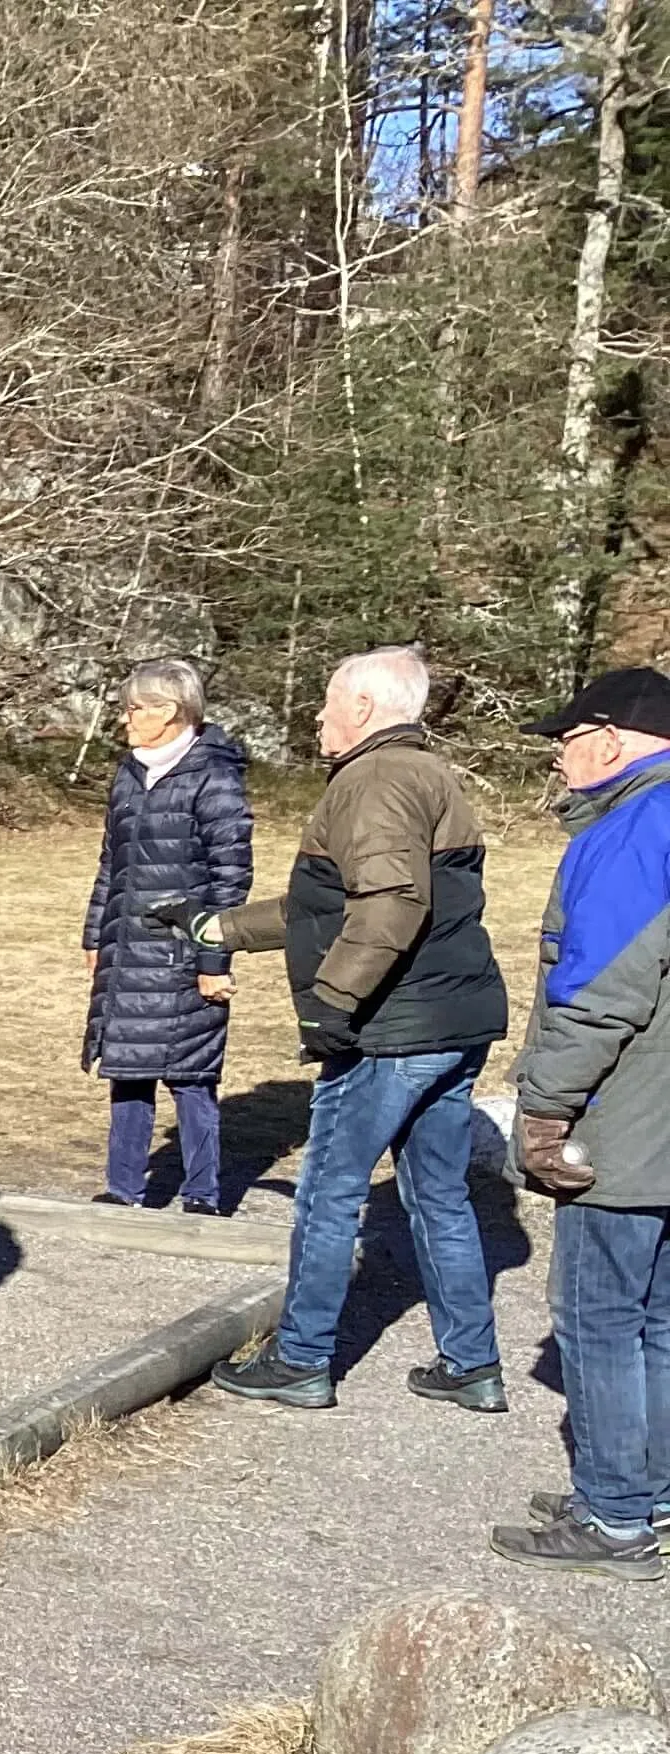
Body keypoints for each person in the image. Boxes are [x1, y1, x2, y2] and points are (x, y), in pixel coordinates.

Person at [147, 647, 508, 1410]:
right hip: (452, 1021)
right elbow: (330, 908)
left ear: (367, 708)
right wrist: (218, 926)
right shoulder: (426, 773)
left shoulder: (375, 782)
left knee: (329, 1192)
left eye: (327, 702)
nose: (317, 716)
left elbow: (391, 905)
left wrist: (332, 1005)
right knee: (438, 1195)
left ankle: (303, 1357)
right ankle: (471, 1362)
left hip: (392, 1029)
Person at [495, 667, 670, 1580]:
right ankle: (648, 1490)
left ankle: (613, 1520)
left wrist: (547, 1109)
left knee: (599, 1318)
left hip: (629, 1121)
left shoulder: (634, 832)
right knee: (665, 1320)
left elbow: (598, 995)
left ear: (612, 738)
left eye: (567, 739)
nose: (559, 758)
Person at [82, 657, 251, 1214]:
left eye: (134, 708)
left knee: (191, 1075)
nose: (125, 719)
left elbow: (231, 878)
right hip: (126, 949)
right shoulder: (129, 772)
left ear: (169, 712)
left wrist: (214, 959)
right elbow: (113, 862)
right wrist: (94, 936)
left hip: (184, 951)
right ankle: (122, 1188)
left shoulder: (215, 776)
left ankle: (202, 1193)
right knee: (127, 1070)